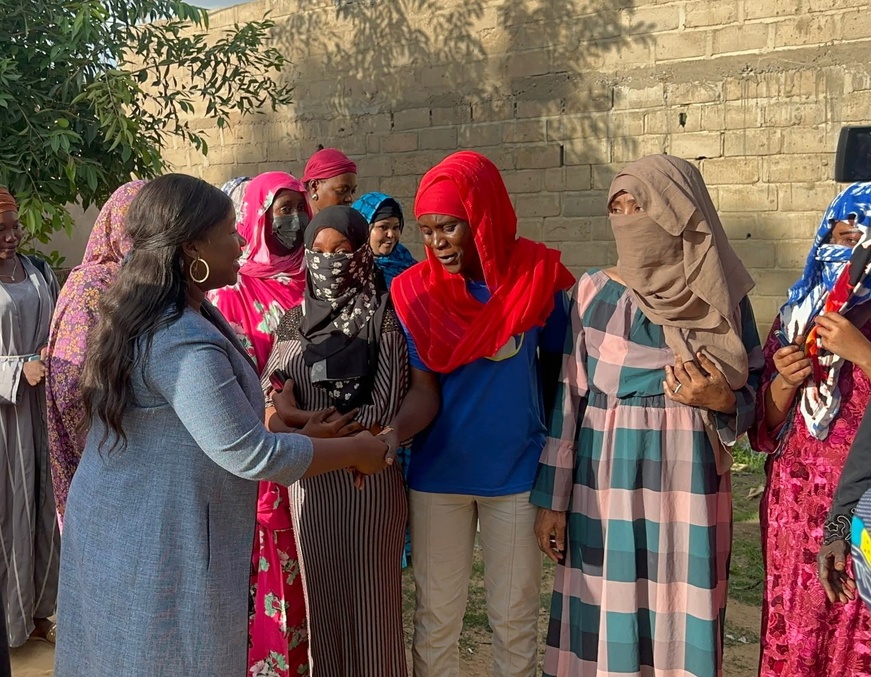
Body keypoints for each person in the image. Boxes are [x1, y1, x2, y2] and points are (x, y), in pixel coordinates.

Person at [53, 174, 393, 677]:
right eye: (229, 232)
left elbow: (202, 430)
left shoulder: (167, 313)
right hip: (153, 542)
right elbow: (249, 454)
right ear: (192, 245)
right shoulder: (179, 339)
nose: (241, 241)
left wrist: (301, 435)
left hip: (130, 526)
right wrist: (358, 450)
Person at [532, 154, 763, 677]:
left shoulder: (722, 295)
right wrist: (552, 501)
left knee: (684, 611)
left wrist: (723, 400)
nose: (629, 216)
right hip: (604, 479)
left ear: (681, 212)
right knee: (608, 615)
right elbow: (569, 399)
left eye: (642, 205)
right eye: (619, 207)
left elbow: (756, 390)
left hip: (690, 480)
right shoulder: (592, 291)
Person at [391, 150, 574, 677]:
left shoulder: (535, 278)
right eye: (426, 230)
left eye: (449, 226)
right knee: (436, 616)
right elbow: (424, 391)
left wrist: (552, 456)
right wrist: (391, 435)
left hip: (515, 475)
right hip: (438, 476)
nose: (437, 242)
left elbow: (564, 379)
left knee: (514, 615)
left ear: (482, 216)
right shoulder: (417, 293)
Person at [261, 205, 439, 675]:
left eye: (342, 251)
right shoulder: (292, 321)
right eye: (318, 251)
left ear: (361, 253)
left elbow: (383, 404)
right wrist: (295, 423)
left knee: (373, 609)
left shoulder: (386, 316)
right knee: (323, 606)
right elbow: (270, 396)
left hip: (371, 478)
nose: (329, 261)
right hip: (311, 485)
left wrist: (311, 428)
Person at [754, 184, 871, 675]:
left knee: (853, 635)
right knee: (797, 631)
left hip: (860, 506)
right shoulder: (794, 314)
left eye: (863, 245)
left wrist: (861, 352)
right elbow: (764, 428)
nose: (852, 256)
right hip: (793, 506)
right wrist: (785, 380)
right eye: (842, 238)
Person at [208, 171, 310, 674]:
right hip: (260, 460)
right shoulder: (233, 291)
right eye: (281, 209)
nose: (292, 219)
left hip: (321, 455)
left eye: (298, 207)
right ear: (256, 218)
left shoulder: (322, 277)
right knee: (263, 586)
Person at [46, 180, 147, 528]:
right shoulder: (91, 285)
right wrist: (106, 447)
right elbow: (69, 383)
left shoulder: (147, 284)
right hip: (105, 456)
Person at [0, 187, 60, 647]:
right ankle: (9, 624)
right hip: (5, 422)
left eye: (14, 226)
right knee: (8, 513)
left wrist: (48, 353)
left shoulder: (39, 272)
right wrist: (19, 367)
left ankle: (41, 609)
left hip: (39, 413)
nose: (10, 237)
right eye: (0, 230)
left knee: (43, 504)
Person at [352, 191, 417, 288]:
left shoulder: (405, 261)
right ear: (363, 229)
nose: (391, 235)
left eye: (396, 227)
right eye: (383, 227)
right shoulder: (351, 269)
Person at [301, 148, 357, 216]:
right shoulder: (297, 224)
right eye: (342, 191)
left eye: (352, 191)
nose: (350, 199)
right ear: (314, 186)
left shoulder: (347, 223)